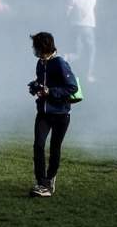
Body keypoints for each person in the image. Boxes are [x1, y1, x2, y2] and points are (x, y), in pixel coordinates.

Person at [27, 32, 78, 198]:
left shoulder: (60, 63)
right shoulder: (40, 63)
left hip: (61, 114)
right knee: (38, 146)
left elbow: (72, 87)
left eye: (36, 46)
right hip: (43, 113)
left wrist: (50, 92)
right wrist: (36, 86)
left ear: (44, 47)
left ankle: (49, 179)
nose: (34, 49)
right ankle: (42, 183)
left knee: (55, 148)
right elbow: (42, 82)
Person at [66, 0, 96, 82]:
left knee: (77, 52)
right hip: (88, 27)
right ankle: (89, 75)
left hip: (75, 26)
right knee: (91, 51)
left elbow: (68, 11)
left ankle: (65, 58)